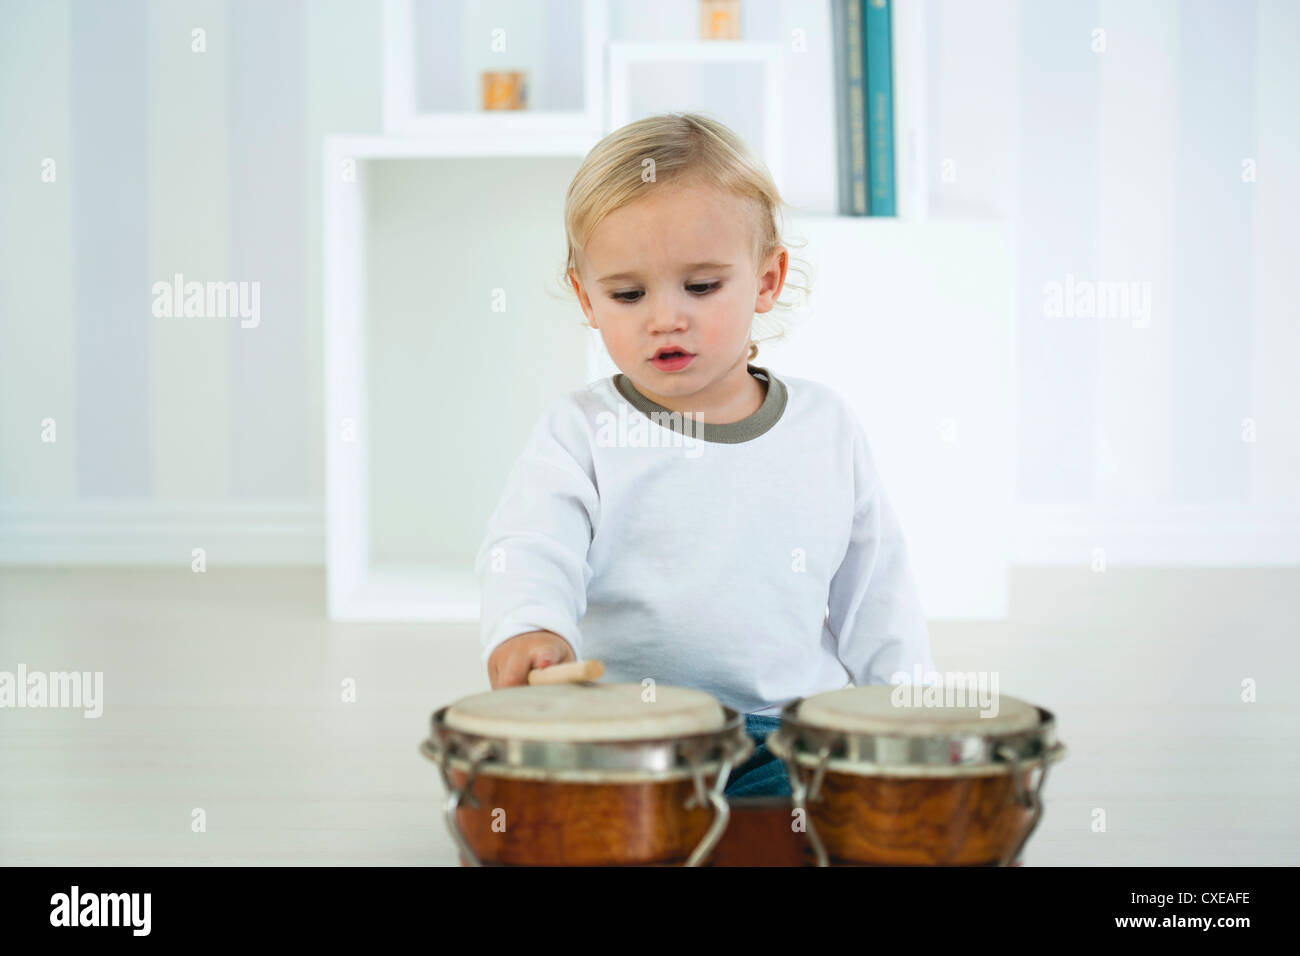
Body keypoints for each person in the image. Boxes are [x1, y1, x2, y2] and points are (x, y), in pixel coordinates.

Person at [476, 112, 934, 797]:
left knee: (827, 821)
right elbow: (532, 545)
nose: (666, 317)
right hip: (629, 734)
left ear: (768, 279)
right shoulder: (581, 431)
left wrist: (903, 714)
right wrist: (531, 627)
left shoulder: (826, 427)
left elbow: (877, 594)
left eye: (701, 286)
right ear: (586, 298)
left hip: (792, 731)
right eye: (627, 294)